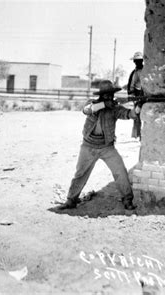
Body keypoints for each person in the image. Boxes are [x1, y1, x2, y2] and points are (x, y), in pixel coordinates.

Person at [58, 80, 141, 211]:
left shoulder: (114, 108)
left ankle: (127, 200)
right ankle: (71, 200)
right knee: (80, 174)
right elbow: (86, 110)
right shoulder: (93, 104)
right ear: (101, 95)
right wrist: (104, 104)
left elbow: (128, 114)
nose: (109, 97)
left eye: (110, 94)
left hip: (107, 147)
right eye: (106, 95)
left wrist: (137, 109)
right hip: (88, 146)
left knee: (120, 172)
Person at [127, 52, 144, 139]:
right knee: (137, 114)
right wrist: (134, 98)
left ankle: (142, 134)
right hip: (137, 96)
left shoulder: (146, 72)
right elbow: (131, 87)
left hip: (145, 95)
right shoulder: (134, 73)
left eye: (140, 61)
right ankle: (138, 134)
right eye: (136, 61)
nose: (138, 62)